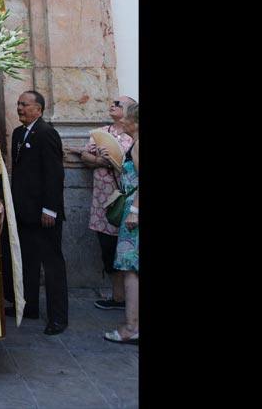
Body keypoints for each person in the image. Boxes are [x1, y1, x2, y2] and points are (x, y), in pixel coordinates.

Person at [10, 90, 68, 335]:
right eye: (18, 104)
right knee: (28, 261)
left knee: (52, 265)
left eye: (25, 104)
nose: (20, 108)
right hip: (24, 210)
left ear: (38, 109)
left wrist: (50, 209)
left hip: (45, 213)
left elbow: (55, 174)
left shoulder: (47, 133)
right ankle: (29, 305)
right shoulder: (18, 133)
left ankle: (58, 317)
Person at [75, 97, 136, 311]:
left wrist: (114, 161)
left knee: (126, 249)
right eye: (113, 102)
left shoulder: (133, 138)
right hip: (103, 202)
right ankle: (117, 296)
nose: (113, 105)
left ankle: (125, 298)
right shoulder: (102, 132)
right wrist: (100, 161)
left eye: (119, 104)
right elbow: (84, 155)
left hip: (125, 201)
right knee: (107, 248)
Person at [104, 100, 140, 345]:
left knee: (130, 269)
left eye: (124, 116)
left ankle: (131, 327)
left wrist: (134, 210)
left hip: (135, 211)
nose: (120, 120)